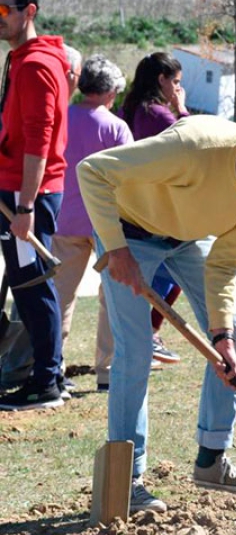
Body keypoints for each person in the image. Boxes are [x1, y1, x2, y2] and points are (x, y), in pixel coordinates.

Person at [78, 111, 236, 513]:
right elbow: (92, 171)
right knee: (135, 353)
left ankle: (211, 460)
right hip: (128, 231)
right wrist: (116, 248)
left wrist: (221, 336)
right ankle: (127, 480)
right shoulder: (194, 147)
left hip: (187, 239)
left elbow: (224, 266)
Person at [0, 42, 83, 394]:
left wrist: (25, 207)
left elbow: (38, 141)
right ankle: (48, 373)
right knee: (26, 285)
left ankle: (46, 379)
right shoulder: (23, 63)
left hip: (24, 195)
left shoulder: (37, 67)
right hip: (17, 191)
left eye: (6, 8)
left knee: (33, 287)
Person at [52, 55, 131, 393]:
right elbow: (129, 179)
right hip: (105, 225)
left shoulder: (62, 119)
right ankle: (107, 371)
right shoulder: (116, 128)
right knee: (111, 297)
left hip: (63, 219)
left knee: (59, 297)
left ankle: (52, 365)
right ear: (111, 91)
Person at [121, 51, 191, 364]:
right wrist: (182, 109)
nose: (177, 88)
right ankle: (149, 334)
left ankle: (147, 335)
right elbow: (191, 147)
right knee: (173, 274)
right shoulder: (160, 116)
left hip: (133, 203)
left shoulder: (130, 109)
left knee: (150, 280)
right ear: (161, 80)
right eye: (175, 82)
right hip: (160, 208)